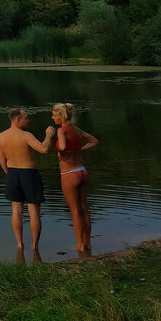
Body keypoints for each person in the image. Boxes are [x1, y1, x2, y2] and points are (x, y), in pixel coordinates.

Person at [0, 108, 56, 251]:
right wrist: (48, 136)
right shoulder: (26, 135)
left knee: (16, 210)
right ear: (18, 120)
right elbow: (43, 149)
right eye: (26, 117)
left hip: (12, 173)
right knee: (34, 211)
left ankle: (19, 244)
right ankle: (34, 246)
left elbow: (1, 159)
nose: (29, 120)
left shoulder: (1, 136)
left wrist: (8, 173)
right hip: (29, 173)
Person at [52, 102, 100, 254]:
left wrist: (61, 151)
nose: (52, 117)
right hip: (82, 170)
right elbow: (94, 141)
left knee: (74, 211)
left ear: (61, 116)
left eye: (54, 115)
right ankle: (87, 244)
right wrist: (80, 149)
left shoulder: (61, 130)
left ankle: (80, 245)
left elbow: (63, 146)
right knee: (84, 209)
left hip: (69, 173)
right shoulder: (76, 129)